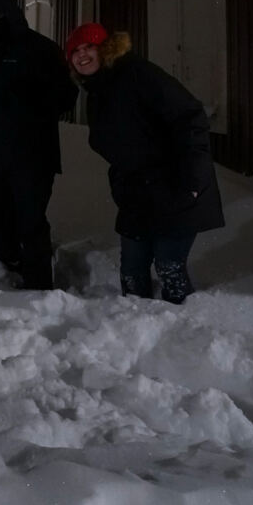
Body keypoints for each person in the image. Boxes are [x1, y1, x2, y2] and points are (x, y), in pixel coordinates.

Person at [65, 22, 225, 303]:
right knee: (131, 270)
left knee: (168, 266)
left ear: (105, 48)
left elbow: (190, 117)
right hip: (137, 193)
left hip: (176, 185)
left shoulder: (137, 74)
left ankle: (180, 331)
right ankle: (132, 328)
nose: (83, 55)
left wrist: (193, 180)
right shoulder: (97, 91)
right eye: (75, 51)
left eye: (89, 46)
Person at [0, 0, 78, 289]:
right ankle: (5, 271)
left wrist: (39, 95)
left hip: (33, 155)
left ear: (10, 13)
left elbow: (67, 97)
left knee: (30, 220)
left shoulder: (42, 49)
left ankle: (39, 286)